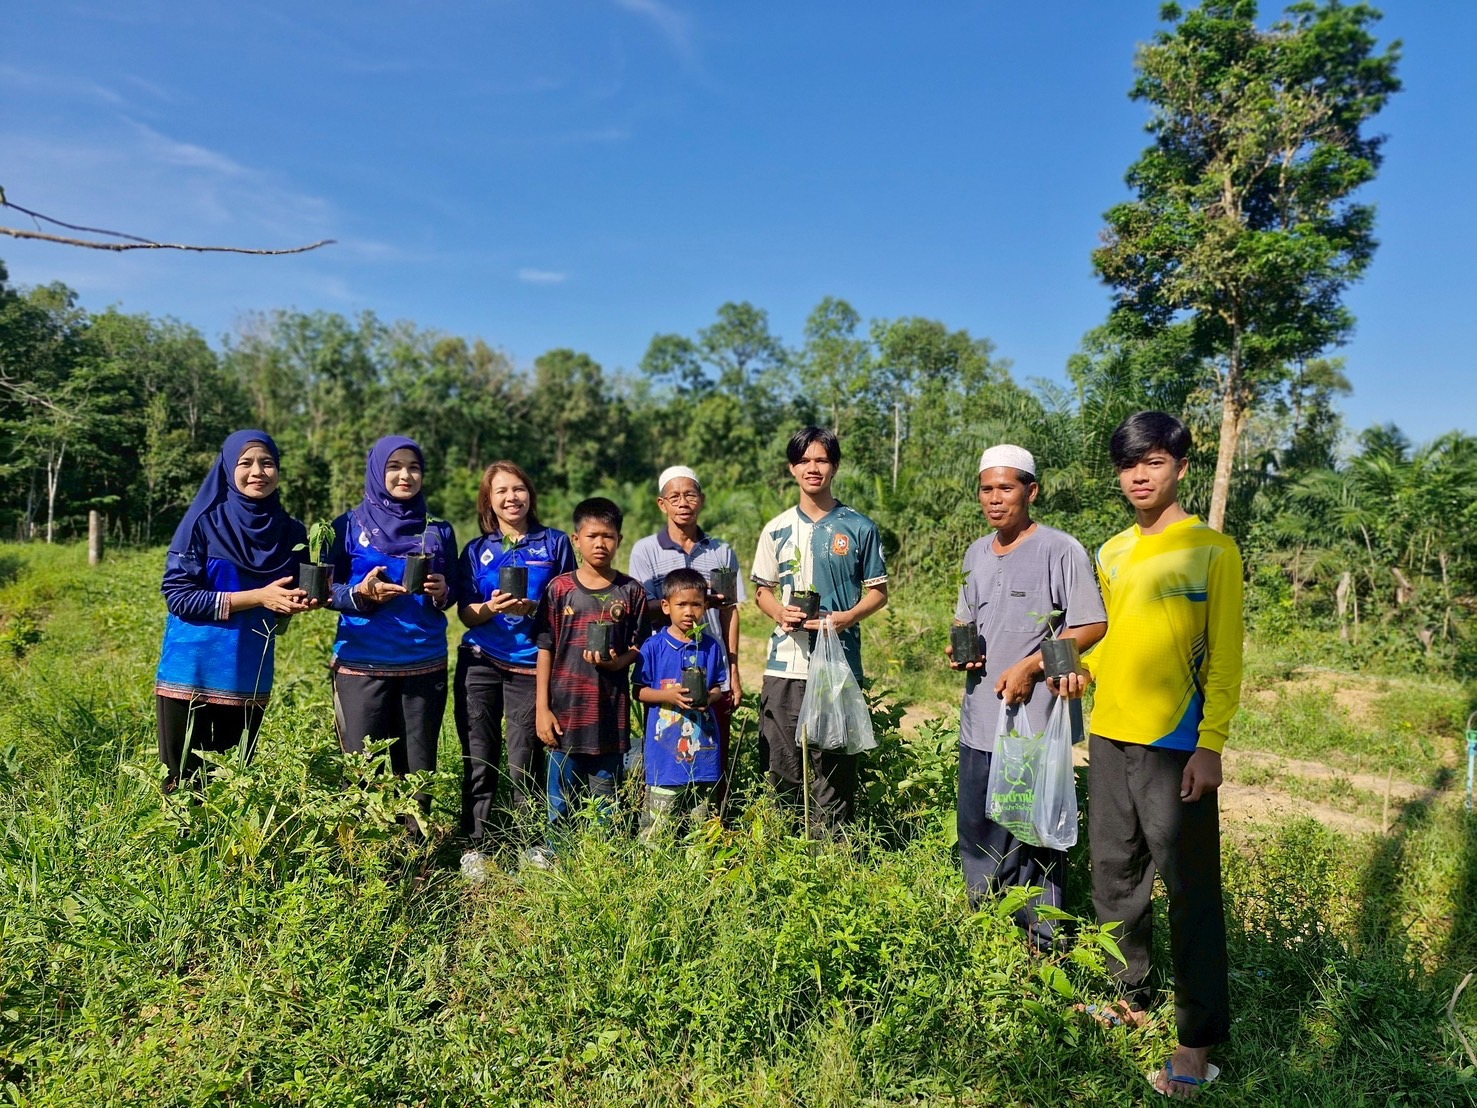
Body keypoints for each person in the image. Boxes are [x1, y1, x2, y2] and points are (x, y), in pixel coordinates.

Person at [1051, 411, 1242, 1098]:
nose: (1137, 474)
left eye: (1153, 461)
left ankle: (1194, 1043)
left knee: (1188, 889)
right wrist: (1075, 669)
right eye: (1128, 463)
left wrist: (1210, 744)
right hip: (1109, 733)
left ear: (1180, 468)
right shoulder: (1109, 552)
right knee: (1113, 873)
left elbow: (1223, 659)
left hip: (1176, 744)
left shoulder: (1212, 551)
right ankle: (1126, 996)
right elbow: (1109, 641)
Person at [946, 444, 1106, 948]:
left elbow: (1091, 622)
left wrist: (1033, 667)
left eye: (1007, 488)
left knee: (1032, 832)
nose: (995, 499)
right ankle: (986, 930)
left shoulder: (1060, 549)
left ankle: (1042, 942)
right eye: (987, 489)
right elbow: (964, 617)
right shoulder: (976, 553)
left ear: (1031, 491)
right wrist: (959, 648)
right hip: (980, 716)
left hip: (1033, 721)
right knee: (977, 824)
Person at [155, 430, 310, 790]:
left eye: (267, 462)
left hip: (247, 672)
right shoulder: (203, 522)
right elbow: (178, 597)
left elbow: (282, 602)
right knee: (180, 782)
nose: (258, 471)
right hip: (189, 674)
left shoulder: (292, 533)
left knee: (231, 785)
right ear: (228, 468)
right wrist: (258, 597)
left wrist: (295, 604)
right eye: (246, 463)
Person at [751, 426, 888, 830]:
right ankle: (788, 850)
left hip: (837, 664)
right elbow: (762, 589)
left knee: (833, 765)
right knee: (782, 764)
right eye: (805, 460)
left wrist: (846, 617)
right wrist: (779, 612)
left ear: (835, 466)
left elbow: (878, 592)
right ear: (793, 468)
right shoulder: (775, 528)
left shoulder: (859, 526)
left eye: (822, 460)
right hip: (785, 663)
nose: (813, 468)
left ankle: (832, 855)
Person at [327, 436, 458, 842]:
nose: (406, 475)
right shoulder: (345, 526)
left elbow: (452, 592)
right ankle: (365, 857)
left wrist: (442, 592)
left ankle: (415, 856)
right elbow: (324, 591)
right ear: (376, 471)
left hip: (423, 663)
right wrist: (360, 594)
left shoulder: (438, 530)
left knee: (418, 769)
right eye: (395, 466)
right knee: (362, 769)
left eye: (414, 467)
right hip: (361, 664)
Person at [454, 461, 575, 877]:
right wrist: (490, 608)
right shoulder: (476, 550)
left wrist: (534, 608)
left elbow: (569, 604)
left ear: (531, 494)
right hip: (480, 662)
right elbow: (465, 613)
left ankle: (530, 842)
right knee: (479, 754)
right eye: (501, 491)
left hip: (529, 666)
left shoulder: (554, 543)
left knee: (526, 759)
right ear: (489, 500)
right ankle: (477, 845)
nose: (512, 498)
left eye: (519, 489)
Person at [533, 496, 647, 858]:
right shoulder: (559, 589)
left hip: (608, 717)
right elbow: (546, 647)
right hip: (564, 714)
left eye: (609, 536)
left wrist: (619, 663)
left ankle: (603, 861)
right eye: (593, 535)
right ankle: (558, 859)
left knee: (605, 801)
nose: (601, 544)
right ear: (575, 539)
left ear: (620, 540)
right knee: (559, 800)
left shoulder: (630, 592)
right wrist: (542, 708)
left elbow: (640, 646)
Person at [627, 464, 745, 803]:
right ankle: (663, 816)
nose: (683, 503)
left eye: (690, 495)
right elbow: (643, 606)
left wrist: (733, 671)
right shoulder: (646, 550)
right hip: (665, 667)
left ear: (701, 500)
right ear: (661, 504)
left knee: (711, 743)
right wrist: (697, 596)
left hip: (710, 664)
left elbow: (730, 611)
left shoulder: (720, 551)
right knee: (666, 742)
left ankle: (710, 825)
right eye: (674, 496)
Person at [632, 568, 730, 841]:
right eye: (681, 604)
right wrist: (669, 696)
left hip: (704, 754)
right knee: (657, 826)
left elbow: (717, 689)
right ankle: (650, 872)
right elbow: (639, 691)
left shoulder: (710, 646)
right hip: (664, 756)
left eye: (696, 604)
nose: (689, 612)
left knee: (702, 826)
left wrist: (708, 699)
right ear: (666, 606)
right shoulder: (653, 647)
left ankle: (697, 874)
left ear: (706, 607)